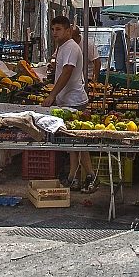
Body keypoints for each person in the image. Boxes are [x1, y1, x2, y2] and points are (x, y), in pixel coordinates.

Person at [45, 16, 94, 192]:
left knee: (78, 142)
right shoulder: (62, 47)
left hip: (74, 101)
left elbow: (67, 72)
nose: (54, 33)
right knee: (73, 143)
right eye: (52, 29)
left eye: (58, 29)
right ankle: (74, 177)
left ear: (68, 30)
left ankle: (90, 176)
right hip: (66, 101)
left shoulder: (71, 48)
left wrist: (52, 95)